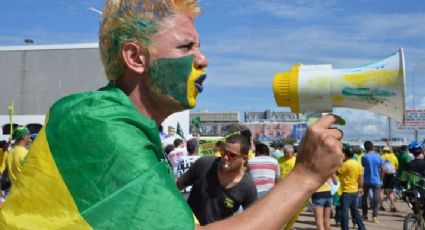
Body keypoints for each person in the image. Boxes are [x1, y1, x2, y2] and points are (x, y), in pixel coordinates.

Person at [0, 1, 345, 229]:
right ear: (136, 58)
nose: (203, 59)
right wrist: (305, 175)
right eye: (186, 47)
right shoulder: (96, 121)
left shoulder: (133, 130)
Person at [177, 130, 258, 225]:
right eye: (223, 152)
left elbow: (251, 219)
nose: (225, 158)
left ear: (244, 158)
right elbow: (176, 186)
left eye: (232, 155)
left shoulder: (247, 187)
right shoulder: (204, 164)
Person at [337, 145, 365, 230]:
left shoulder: (345, 165)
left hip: (346, 191)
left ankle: (345, 228)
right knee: (355, 211)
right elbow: (360, 178)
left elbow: (337, 173)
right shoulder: (357, 163)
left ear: (345, 155)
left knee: (344, 212)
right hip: (355, 190)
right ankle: (361, 227)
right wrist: (361, 187)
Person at [361, 141, 383, 223]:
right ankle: (375, 216)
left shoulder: (364, 157)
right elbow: (382, 169)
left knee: (364, 198)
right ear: (373, 147)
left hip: (366, 180)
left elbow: (363, 167)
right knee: (376, 199)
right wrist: (381, 178)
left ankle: (365, 215)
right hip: (376, 180)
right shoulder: (378, 157)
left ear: (365, 148)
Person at [379, 146, 398, 212]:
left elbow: (379, 167)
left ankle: (381, 206)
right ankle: (392, 206)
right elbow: (396, 166)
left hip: (383, 175)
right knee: (390, 192)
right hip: (392, 175)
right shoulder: (393, 156)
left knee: (381, 191)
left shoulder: (381, 157)